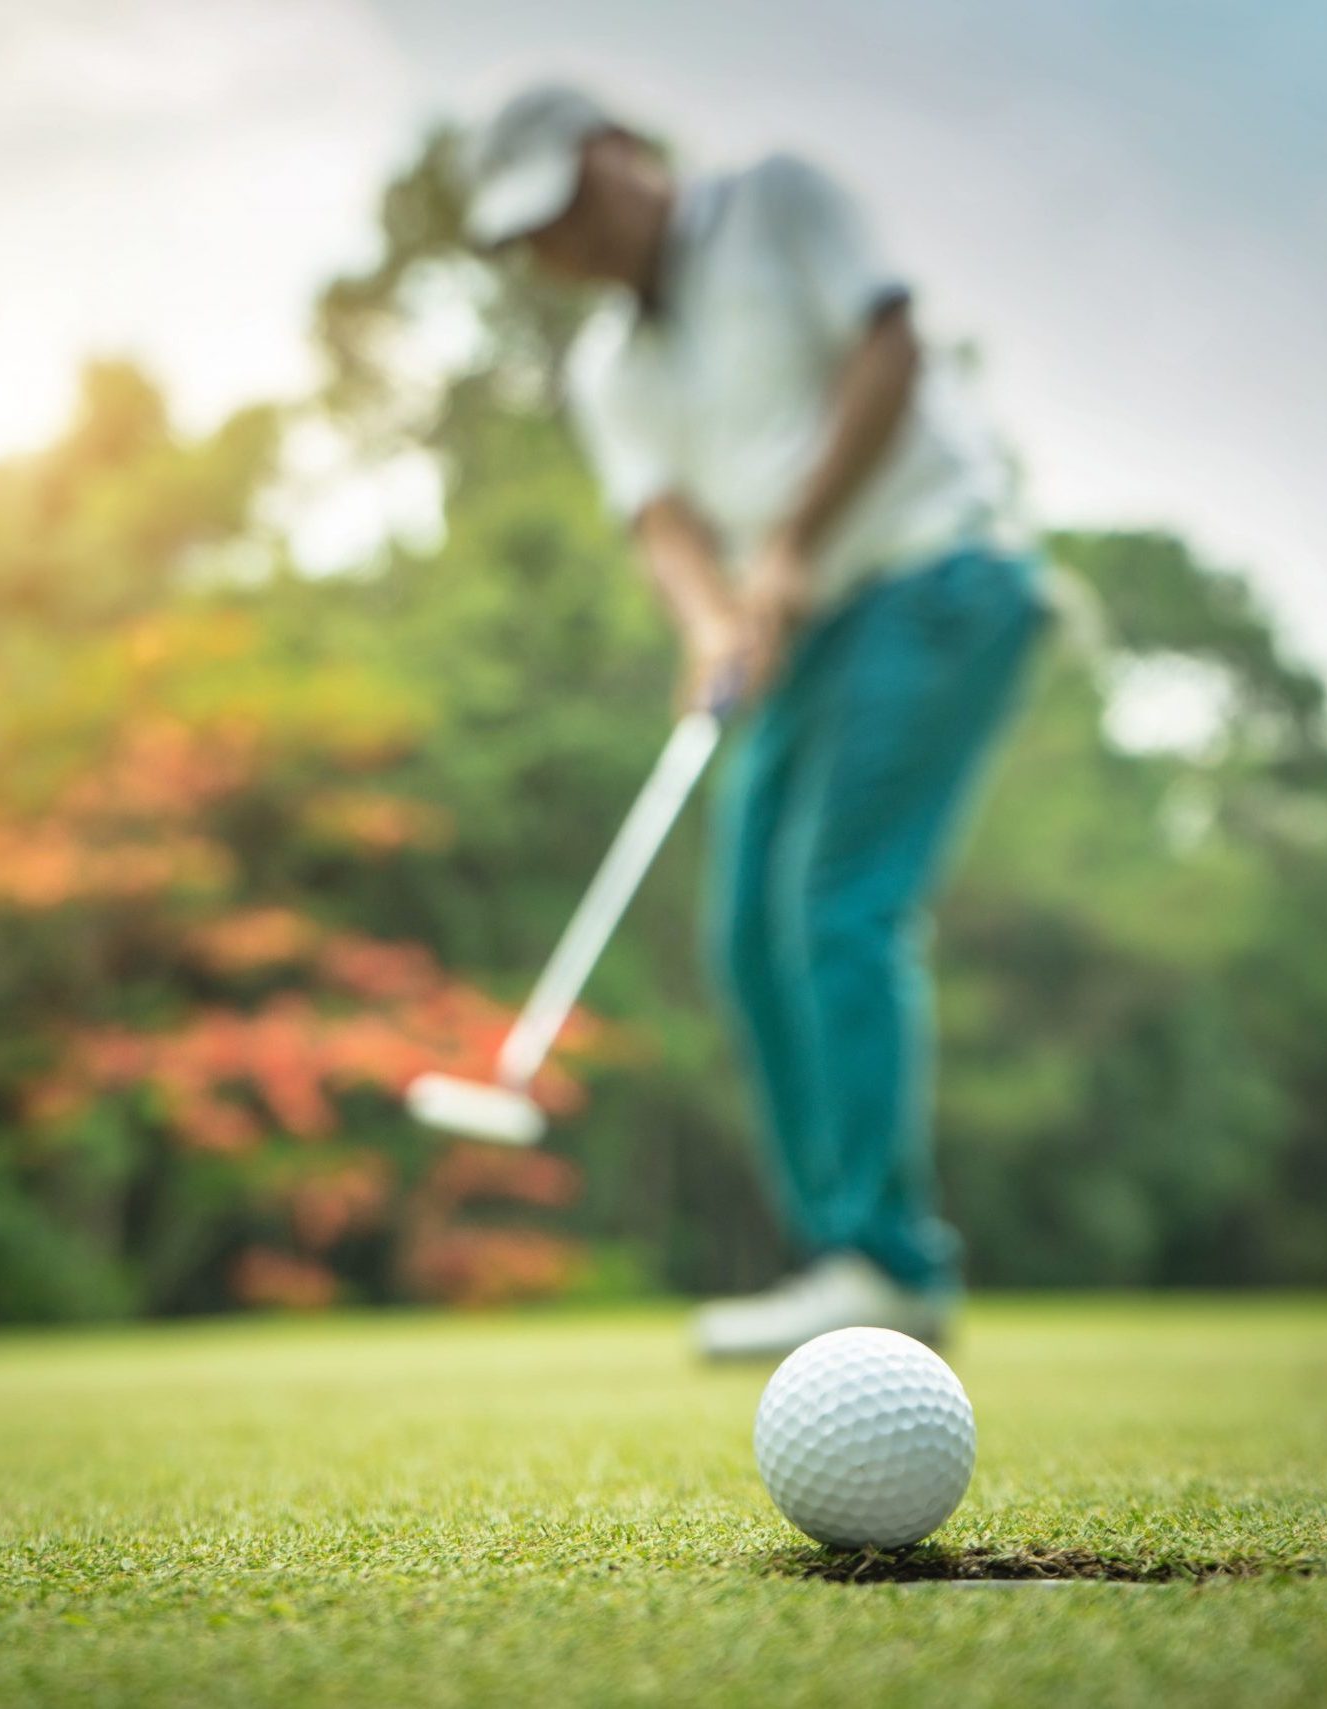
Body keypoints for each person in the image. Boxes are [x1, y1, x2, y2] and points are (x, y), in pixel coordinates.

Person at [458, 84, 1051, 1356]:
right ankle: (840, 1252)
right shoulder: (605, 367)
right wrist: (710, 622)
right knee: (743, 929)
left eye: (567, 204)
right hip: (805, 633)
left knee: (834, 900)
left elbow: (886, 347)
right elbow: (662, 525)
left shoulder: (775, 199)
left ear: (620, 150)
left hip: (933, 573)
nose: (563, 245)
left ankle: (888, 1261)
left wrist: (784, 550)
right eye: (532, 236)